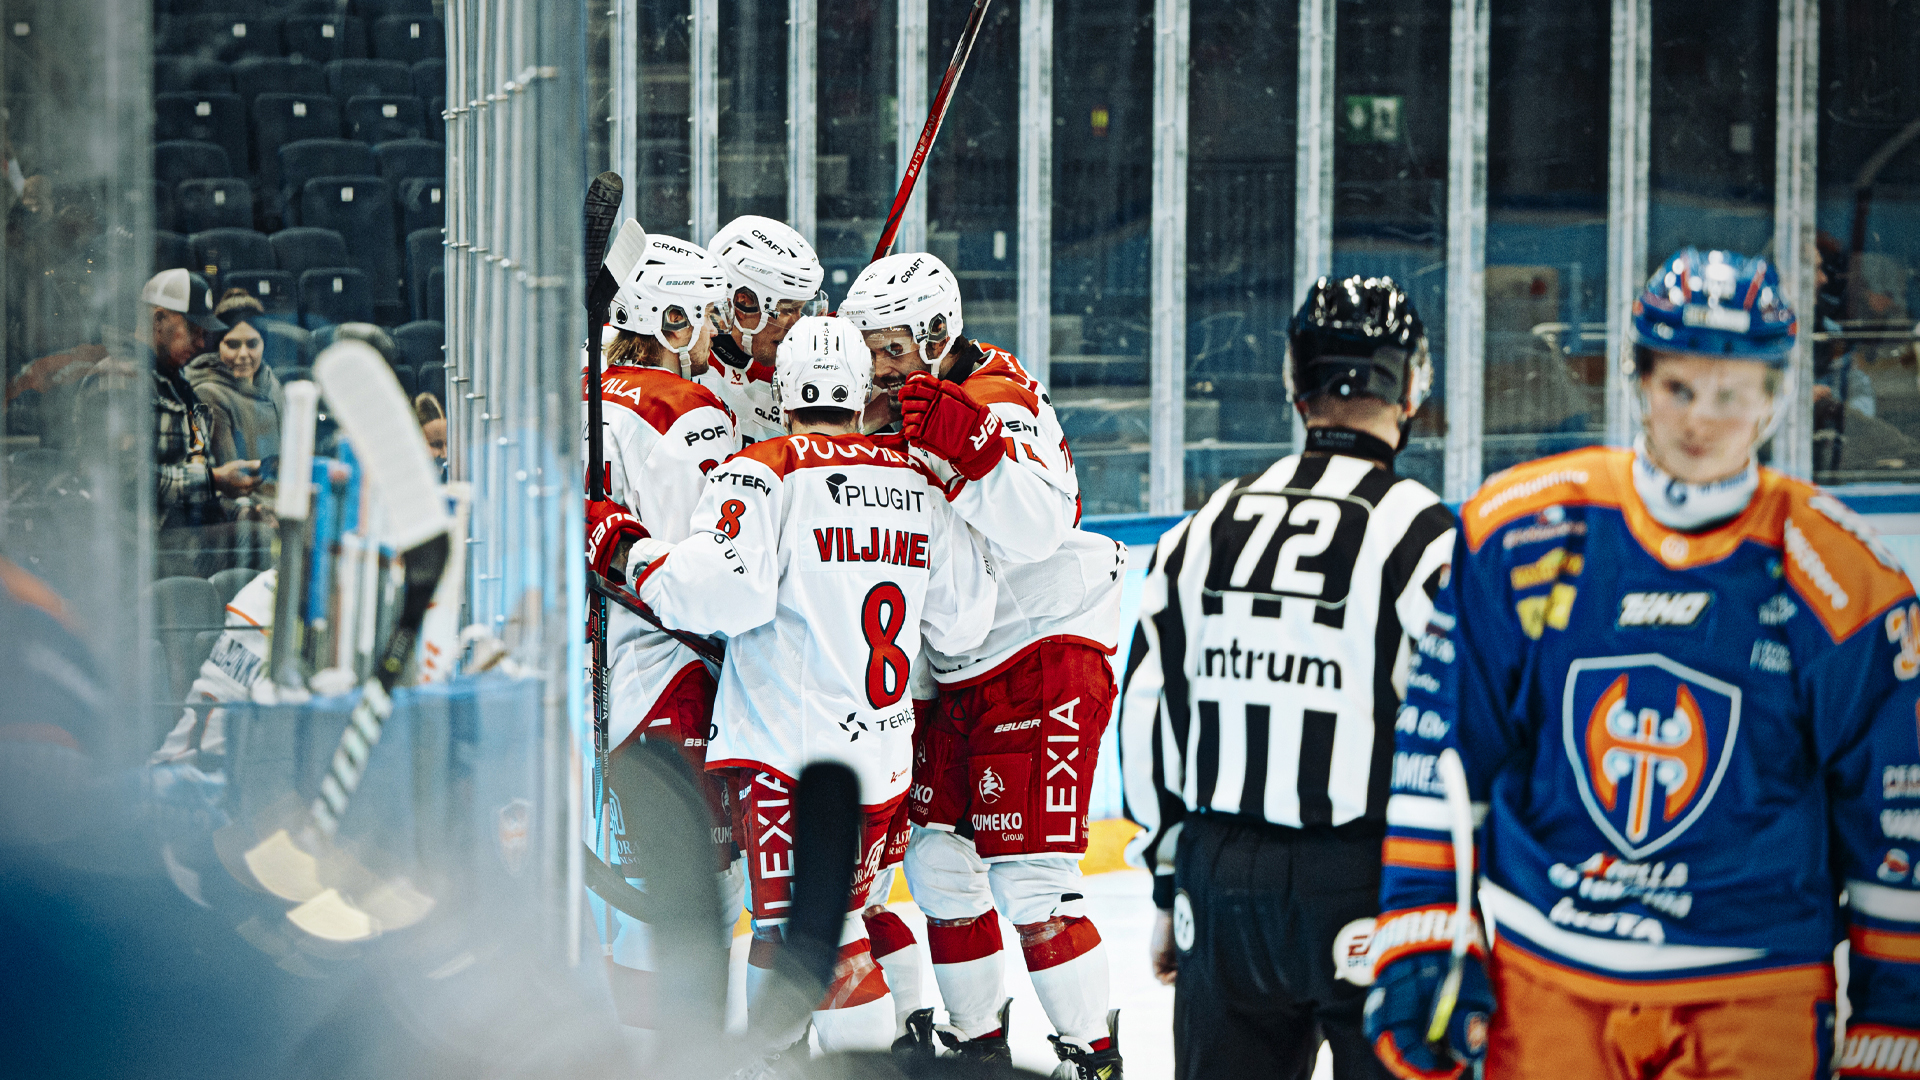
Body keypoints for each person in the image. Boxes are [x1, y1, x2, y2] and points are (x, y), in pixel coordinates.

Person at [1365, 249, 1920, 1079]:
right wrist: (1422, 928)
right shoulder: (1524, 532)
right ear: (1637, 377)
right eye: (1679, 388)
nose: (1702, 420)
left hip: (1754, 991)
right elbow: (1443, 746)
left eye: (1731, 393)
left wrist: (1896, 1014)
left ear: (1774, 397)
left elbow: (1893, 816)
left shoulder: (1844, 580)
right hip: (1548, 978)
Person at [1116, 277, 1455, 1080]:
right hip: (1372, 882)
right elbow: (1466, 737)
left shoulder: (1199, 530)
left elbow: (1146, 715)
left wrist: (1169, 886)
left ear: (1292, 383)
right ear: (1410, 384)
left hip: (1219, 877)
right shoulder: (1428, 537)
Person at [629, 314, 996, 1053]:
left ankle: (824, 1067)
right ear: (862, 391)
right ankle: (802, 1061)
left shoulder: (764, 469)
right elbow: (963, 625)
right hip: (882, 759)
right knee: (840, 922)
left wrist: (628, 551)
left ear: (782, 383)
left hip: (786, 758)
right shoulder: (919, 480)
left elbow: (714, 597)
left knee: (801, 936)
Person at [840, 252, 1129, 1078]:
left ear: (938, 338)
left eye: (893, 349)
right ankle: (977, 1047)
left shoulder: (996, 399)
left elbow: (1043, 521)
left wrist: (975, 449)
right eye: (869, 351)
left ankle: (1092, 1058)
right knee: (936, 864)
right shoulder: (889, 405)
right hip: (954, 664)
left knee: (1033, 879)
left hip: (1042, 647)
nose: (880, 369)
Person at [579, 222, 742, 1037]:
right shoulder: (687, 410)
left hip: (596, 684)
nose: (714, 334)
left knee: (632, 895)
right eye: (703, 316)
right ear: (670, 320)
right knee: (694, 899)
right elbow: (706, 578)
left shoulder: (578, 391)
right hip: (672, 680)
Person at [77, 269, 258, 576]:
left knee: (259, 531)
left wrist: (243, 510)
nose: (202, 342)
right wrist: (215, 479)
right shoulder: (117, 379)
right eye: (193, 329)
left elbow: (201, 479)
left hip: (184, 545)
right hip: (140, 556)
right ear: (158, 321)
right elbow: (130, 480)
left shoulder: (181, 385)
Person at [699, 215, 828, 444]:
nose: (796, 325)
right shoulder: (680, 361)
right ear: (744, 302)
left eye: (802, 309)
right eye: (788, 310)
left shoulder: (792, 365)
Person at [187, 290, 285, 471]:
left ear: (264, 344)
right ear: (218, 347)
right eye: (232, 344)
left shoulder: (272, 383)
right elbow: (233, 479)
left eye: (252, 344)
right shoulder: (208, 394)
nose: (243, 354)